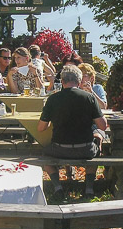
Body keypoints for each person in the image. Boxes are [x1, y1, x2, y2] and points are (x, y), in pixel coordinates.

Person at [38, 65, 107, 199]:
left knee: (44, 155)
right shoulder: (89, 98)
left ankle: (58, 188)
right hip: (85, 149)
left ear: (62, 81)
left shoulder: (53, 99)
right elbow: (103, 126)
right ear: (79, 81)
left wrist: (53, 119)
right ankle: (88, 189)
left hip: (59, 149)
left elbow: (41, 128)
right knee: (97, 149)